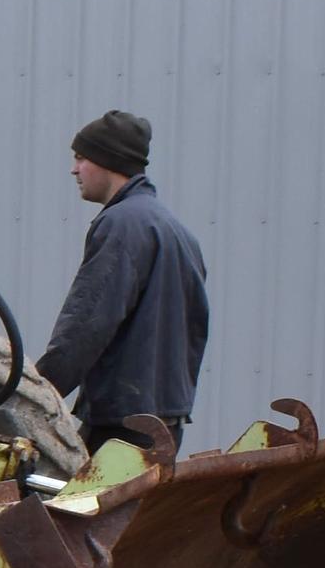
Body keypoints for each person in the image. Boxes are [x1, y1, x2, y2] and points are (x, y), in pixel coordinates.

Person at [36, 109, 210, 444]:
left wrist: (38, 393)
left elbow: (86, 324)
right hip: (166, 420)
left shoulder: (121, 224)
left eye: (81, 158)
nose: (74, 169)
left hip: (121, 423)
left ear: (107, 161)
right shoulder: (177, 232)